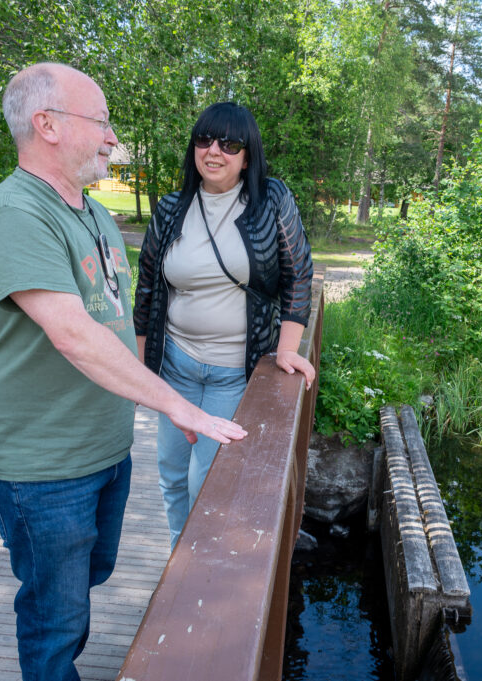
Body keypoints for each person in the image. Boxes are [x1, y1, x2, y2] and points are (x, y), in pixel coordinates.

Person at [0, 63, 246, 681]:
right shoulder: (12, 214)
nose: (113, 137)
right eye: (101, 121)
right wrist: (177, 402)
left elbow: (117, 318)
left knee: (87, 579)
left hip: (102, 449)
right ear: (48, 125)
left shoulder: (91, 213)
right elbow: (73, 334)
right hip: (40, 463)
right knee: (55, 617)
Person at [134, 102, 315, 548]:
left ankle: (197, 560)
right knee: (173, 475)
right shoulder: (173, 208)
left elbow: (298, 273)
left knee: (206, 481)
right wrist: (142, 370)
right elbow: (148, 290)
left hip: (234, 372)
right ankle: (181, 553)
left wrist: (288, 349)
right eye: (204, 140)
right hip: (175, 367)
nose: (214, 151)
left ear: (247, 155)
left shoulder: (271, 199)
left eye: (229, 143)